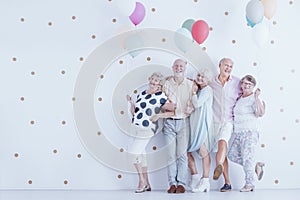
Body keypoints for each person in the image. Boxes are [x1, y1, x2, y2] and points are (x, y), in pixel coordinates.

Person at [126, 72, 168, 193]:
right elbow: (135, 112)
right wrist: (131, 103)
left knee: (133, 154)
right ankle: (148, 184)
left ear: (159, 84)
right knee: (141, 156)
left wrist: (160, 115)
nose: (153, 82)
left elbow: (170, 107)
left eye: (156, 81)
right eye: (152, 79)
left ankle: (141, 181)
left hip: (147, 128)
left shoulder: (161, 96)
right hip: (136, 127)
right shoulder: (142, 94)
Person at [228, 75, 266, 192]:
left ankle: (249, 184)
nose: (246, 86)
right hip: (239, 132)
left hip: (249, 132)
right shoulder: (240, 99)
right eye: (245, 83)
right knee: (232, 155)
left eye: (249, 84)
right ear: (241, 84)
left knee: (247, 159)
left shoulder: (253, 98)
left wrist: (257, 98)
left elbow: (260, 113)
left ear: (253, 86)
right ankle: (255, 166)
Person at [162, 58, 194, 194]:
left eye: (181, 66)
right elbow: (160, 103)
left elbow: (194, 102)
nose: (178, 68)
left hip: (184, 122)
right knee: (170, 155)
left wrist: (190, 108)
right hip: (169, 122)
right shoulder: (166, 83)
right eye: (176, 66)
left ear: (185, 68)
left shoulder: (191, 84)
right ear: (172, 67)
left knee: (182, 155)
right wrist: (165, 106)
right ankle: (172, 183)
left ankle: (181, 183)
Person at [209, 58, 242, 192]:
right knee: (221, 152)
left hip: (228, 120)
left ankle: (218, 165)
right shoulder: (212, 82)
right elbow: (198, 85)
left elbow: (245, 94)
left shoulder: (237, 82)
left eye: (230, 66)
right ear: (220, 65)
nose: (228, 68)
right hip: (213, 121)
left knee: (223, 142)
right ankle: (227, 183)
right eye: (226, 65)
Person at [186, 69, 214, 193]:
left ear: (207, 79)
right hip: (195, 123)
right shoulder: (201, 90)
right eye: (199, 75)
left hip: (203, 123)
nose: (200, 78)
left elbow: (197, 104)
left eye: (203, 77)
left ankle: (205, 180)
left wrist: (193, 92)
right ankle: (195, 176)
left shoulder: (207, 90)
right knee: (187, 151)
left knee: (203, 151)